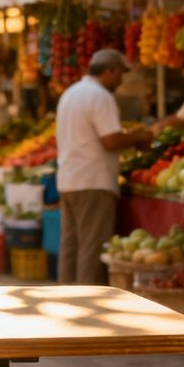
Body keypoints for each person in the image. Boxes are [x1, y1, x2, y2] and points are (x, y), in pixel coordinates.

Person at [56, 49, 152, 284]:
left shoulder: (71, 93)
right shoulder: (100, 96)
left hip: (69, 179)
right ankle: (86, 303)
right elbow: (111, 141)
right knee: (92, 247)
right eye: (120, 73)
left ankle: (66, 299)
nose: (121, 79)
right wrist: (140, 137)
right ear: (109, 71)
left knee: (71, 246)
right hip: (93, 181)